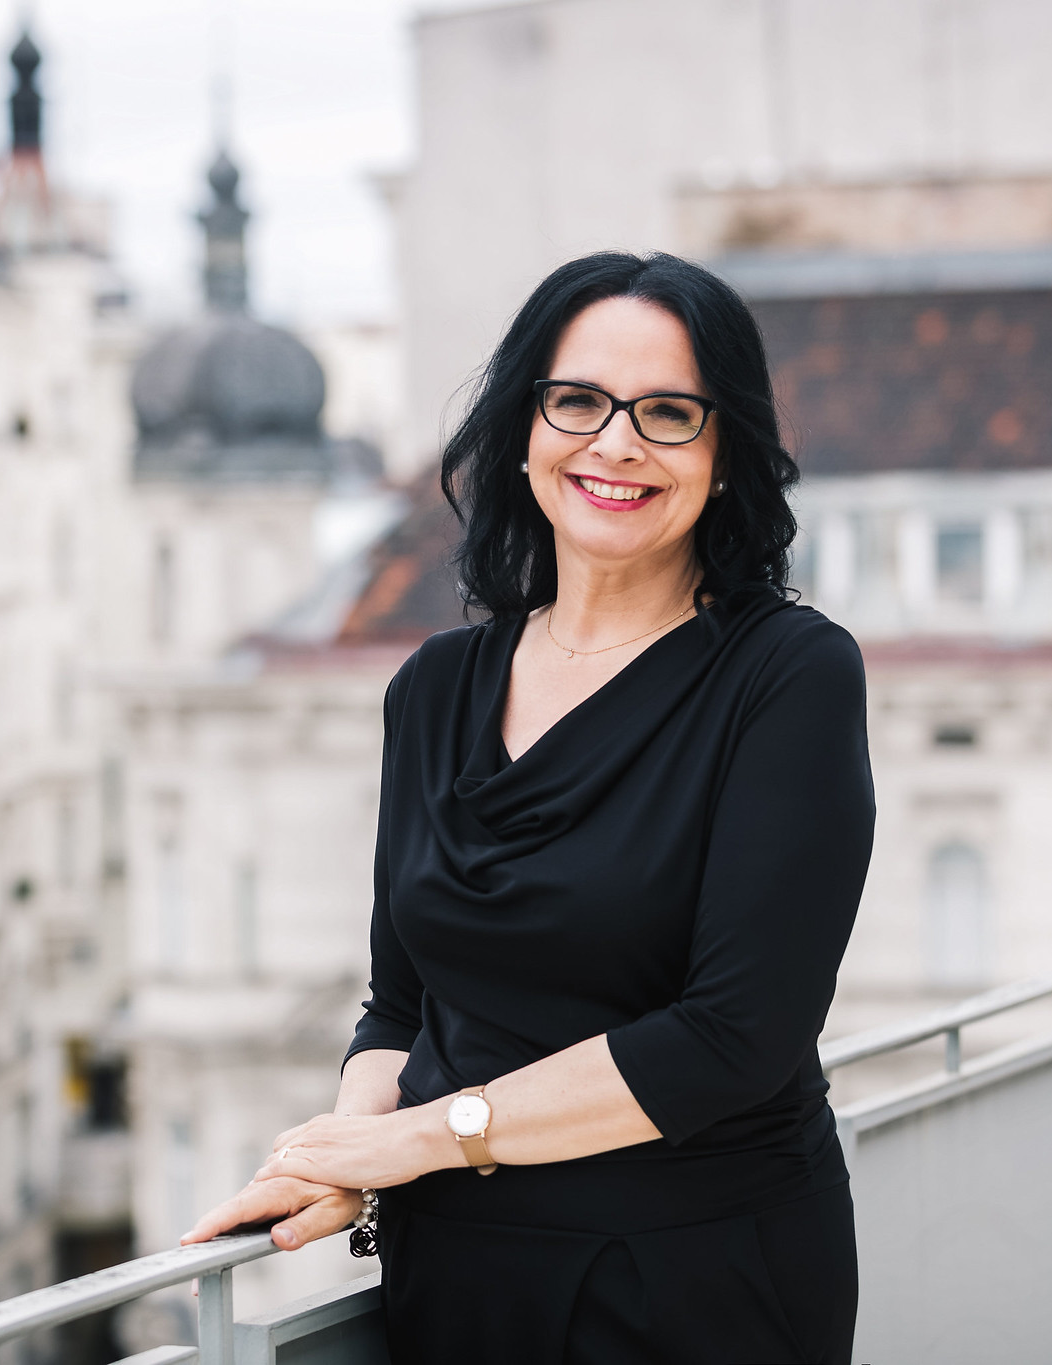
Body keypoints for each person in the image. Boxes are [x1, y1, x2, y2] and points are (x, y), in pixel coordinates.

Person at [181, 251, 875, 1364]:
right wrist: (340, 1162)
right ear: (523, 429)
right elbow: (399, 1006)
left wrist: (424, 1140)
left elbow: (734, 1037)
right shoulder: (435, 687)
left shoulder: (786, 674)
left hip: (696, 1275)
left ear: (724, 456)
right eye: (578, 401)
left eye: (667, 414)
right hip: (456, 1276)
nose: (616, 443)